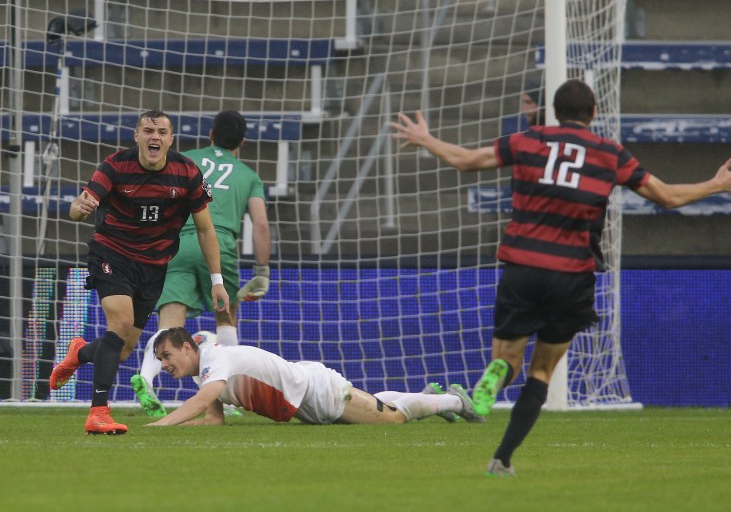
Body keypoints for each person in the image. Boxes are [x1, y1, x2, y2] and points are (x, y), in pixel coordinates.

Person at [391, 79, 731, 477]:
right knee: (543, 371)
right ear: (594, 113)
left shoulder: (529, 140)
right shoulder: (610, 154)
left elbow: (466, 160)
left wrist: (426, 138)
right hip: (572, 274)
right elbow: (665, 196)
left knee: (507, 358)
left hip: (524, 267)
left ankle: (496, 374)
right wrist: (715, 184)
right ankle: (502, 459)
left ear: (553, 111)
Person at [49, 110, 230, 435]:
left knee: (123, 347)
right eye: (148, 130)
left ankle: (80, 352)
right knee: (118, 323)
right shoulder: (115, 166)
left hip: (153, 266)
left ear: (171, 139)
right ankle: (99, 413)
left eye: (162, 131)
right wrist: (78, 208)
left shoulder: (187, 173)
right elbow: (80, 204)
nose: (154, 137)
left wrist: (218, 281)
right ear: (137, 136)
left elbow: (205, 230)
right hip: (112, 254)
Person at [131, 110, 271, 418]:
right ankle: (227, 398)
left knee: (169, 320)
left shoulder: (185, 157)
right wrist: (261, 271)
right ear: (242, 142)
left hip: (179, 241)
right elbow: (260, 224)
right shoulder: (247, 175)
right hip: (218, 243)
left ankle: (146, 376)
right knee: (225, 318)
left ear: (210, 135)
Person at [145, 327, 484, 426]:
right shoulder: (203, 374)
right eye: (160, 360)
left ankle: (452, 399)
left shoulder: (214, 359)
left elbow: (203, 402)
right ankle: (421, 398)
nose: (164, 364)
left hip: (316, 392)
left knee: (392, 421)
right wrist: (170, 427)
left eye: (167, 356)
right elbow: (212, 420)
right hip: (305, 394)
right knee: (377, 408)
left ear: (188, 348)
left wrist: (158, 426)